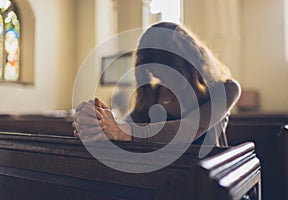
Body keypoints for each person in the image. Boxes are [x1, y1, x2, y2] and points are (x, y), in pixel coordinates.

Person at [73, 22, 241, 146]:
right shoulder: (155, 93)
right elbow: (129, 124)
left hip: (209, 178)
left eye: (169, 75)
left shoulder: (226, 89)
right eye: (156, 75)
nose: (163, 82)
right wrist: (98, 123)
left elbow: (191, 128)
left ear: (187, 66)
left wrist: (120, 130)